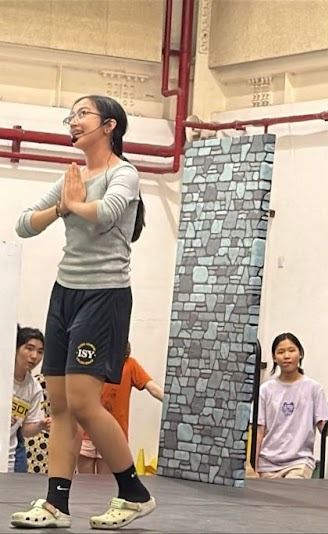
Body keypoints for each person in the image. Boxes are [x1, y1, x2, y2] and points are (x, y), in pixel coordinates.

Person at [11, 93, 154, 530]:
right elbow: (23, 223)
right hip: (65, 294)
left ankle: (134, 493)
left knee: (84, 403)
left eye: (83, 114)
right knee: (59, 405)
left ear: (109, 125)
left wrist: (72, 206)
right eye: (71, 116)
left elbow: (106, 215)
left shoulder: (124, 173)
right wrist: (61, 206)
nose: (74, 122)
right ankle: (56, 504)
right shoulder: (72, 176)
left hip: (104, 295)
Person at [255, 333, 328, 480]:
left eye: (291, 350)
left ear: (300, 353)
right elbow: (259, 431)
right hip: (267, 464)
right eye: (281, 352)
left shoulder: (314, 389)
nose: (286, 356)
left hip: (299, 462)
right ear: (274, 357)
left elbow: (324, 430)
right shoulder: (265, 390)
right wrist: (252, 465)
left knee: (291, 488)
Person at [77, 354, 164, 475]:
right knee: (84, 481)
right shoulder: (90, 359)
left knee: (105, 482)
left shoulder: (130, 364)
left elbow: (152, 388)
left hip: (112, 435)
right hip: (86, 432)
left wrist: (172, 402)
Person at [11, 327, 49, 473]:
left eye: (40, 352)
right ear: (16, 348)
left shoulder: (34, 387)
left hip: (12, 454)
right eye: (29, 348)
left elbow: (26, 430)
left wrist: (40, 425)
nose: (34, 356)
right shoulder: (4, 376)